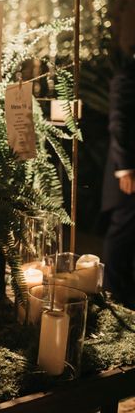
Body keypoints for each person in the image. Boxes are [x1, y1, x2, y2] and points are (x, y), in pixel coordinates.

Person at [102, 53, 135, 309]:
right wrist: (125, 168)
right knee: (123, 231)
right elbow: (119, 123)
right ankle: (114, 296)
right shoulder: (127, 74)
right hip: (130, 173)